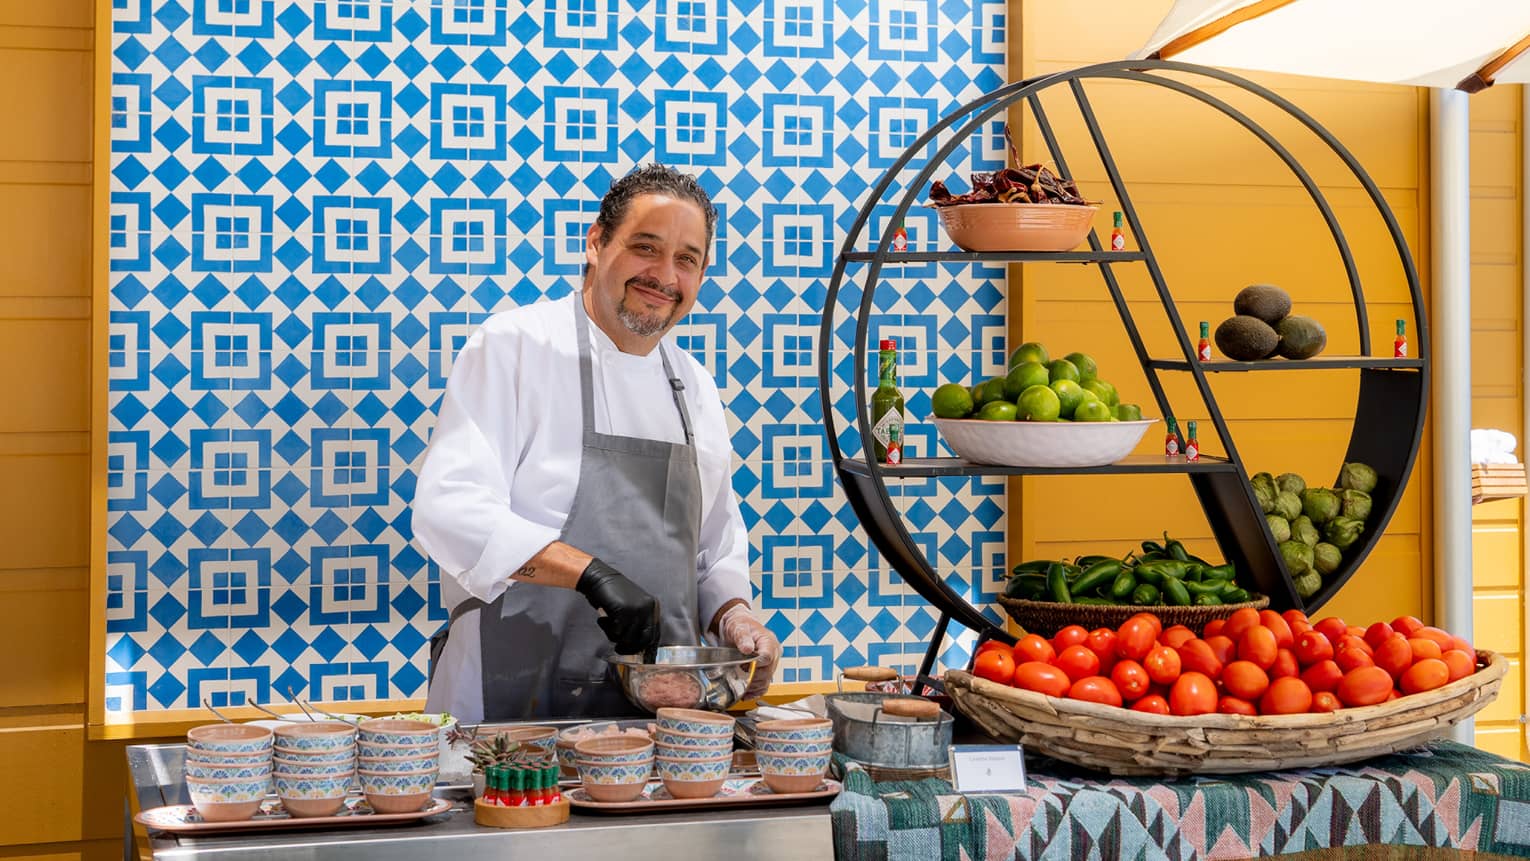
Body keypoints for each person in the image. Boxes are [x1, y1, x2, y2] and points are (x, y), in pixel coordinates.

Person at [413, 164, 780, 722]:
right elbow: (450, 510)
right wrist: (591, 575)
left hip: (656, 715)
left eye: (687, 259)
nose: (664, 274)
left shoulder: (694, 386)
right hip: (514, 704)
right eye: (645, 247)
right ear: (596, 242)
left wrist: (736, 618)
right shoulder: (515, 347)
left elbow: (715, 546)